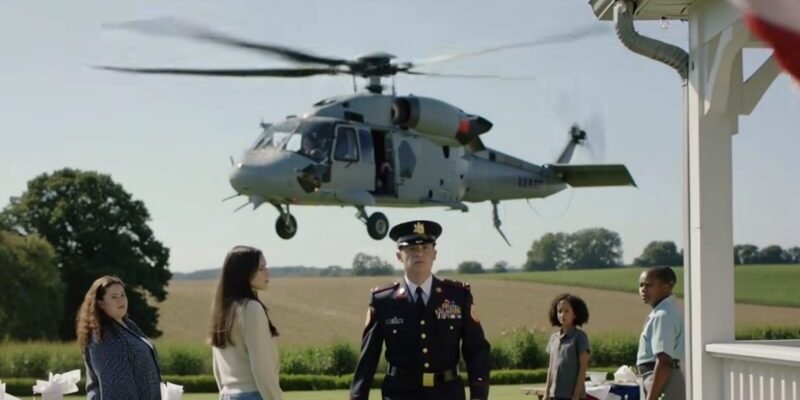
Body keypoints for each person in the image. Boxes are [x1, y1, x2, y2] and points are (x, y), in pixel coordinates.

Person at [350, 220, 491, 400]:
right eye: (411, 249)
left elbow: (477, 349)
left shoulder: (457, 296)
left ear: (435, 254)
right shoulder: (383, 300)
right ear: (399, 256)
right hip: (400, 394)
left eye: (425, 248)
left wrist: (479, 394)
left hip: (447, 394)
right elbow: (368, 357)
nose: (419, 253)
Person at [210, 245, 282, 400]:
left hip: (227, 394)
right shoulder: (251, 308)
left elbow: (217, 365)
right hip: (252, 394)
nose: (267, 273)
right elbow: (261, 365)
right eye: (261, 268)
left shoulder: (223, 308)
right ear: (245, 273)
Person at [76, 275, 162, 400]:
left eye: (123, 295)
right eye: (114, 297)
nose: (121, 300)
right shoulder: (103, 336)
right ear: (100, 303)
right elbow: (117, 387)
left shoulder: (128, 325)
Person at [637, 266, 685, 400]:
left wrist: (651, 397)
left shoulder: (662, 315)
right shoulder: (667, 311)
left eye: (649, 285)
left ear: (667, 287)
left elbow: (664, 361)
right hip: (660, 378)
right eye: (641, 285)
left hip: (660, 379)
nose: (643, 289)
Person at [544, 293, 591, 400]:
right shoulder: (553, 339)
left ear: (575, 314)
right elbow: (550, 368)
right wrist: (546, 394)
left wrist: (576, 395)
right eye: (560, 311)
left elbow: (583, 368)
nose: (562, 315)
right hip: (554, 395)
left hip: (572, 396)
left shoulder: (579, 337)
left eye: (567, 311)